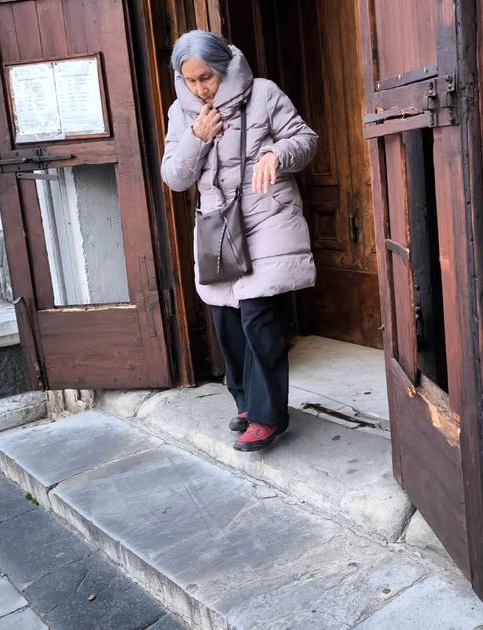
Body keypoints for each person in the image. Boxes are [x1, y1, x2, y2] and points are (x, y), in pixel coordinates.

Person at [161, 30, 318, 453]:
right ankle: (247, 404)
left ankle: (269, 416)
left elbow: (306, 141)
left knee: (258, 317)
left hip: (267, 217)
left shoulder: (263, 93)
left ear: (225, 65)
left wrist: (276, 156)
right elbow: (175, 179)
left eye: (207, 77)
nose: (200, 88)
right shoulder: (182, 113)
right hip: (219, 228)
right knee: (226, 321)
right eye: (191, 80)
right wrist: (197, 136)